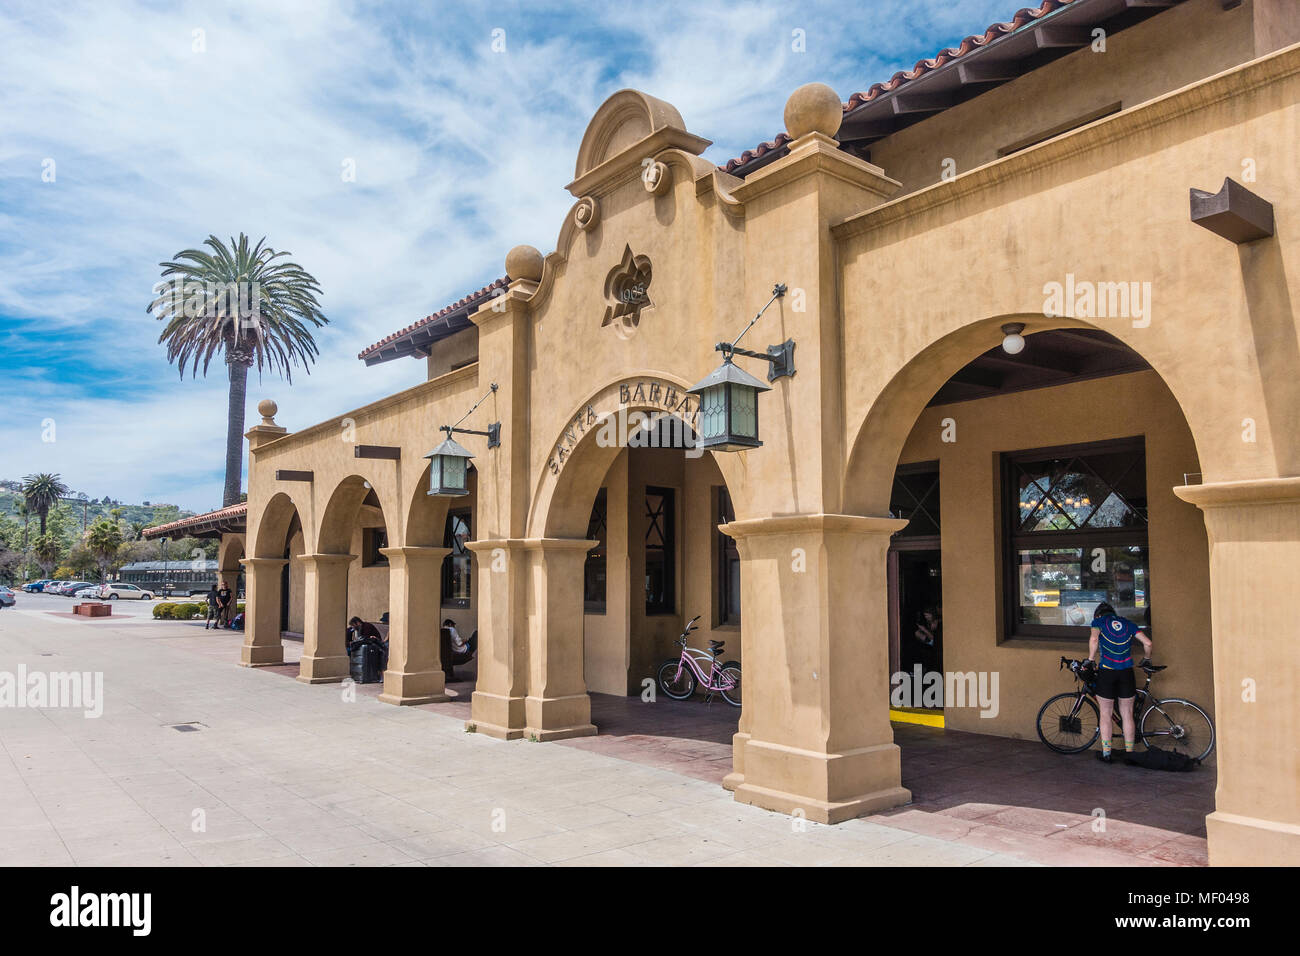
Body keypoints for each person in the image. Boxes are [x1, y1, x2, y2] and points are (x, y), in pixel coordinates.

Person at [1088, 600, 1152, 763]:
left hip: (1107, 672)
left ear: (1098, 614)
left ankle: (1107, 753)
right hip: (1126, 672)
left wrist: (1090, 659)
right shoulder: (1127, 623)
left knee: (1106, 713)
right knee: (1127, 713)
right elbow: (1148, 643)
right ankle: (1130, 753)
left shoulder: (1098, 622)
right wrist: (1146, 658)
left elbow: (1094, 640)